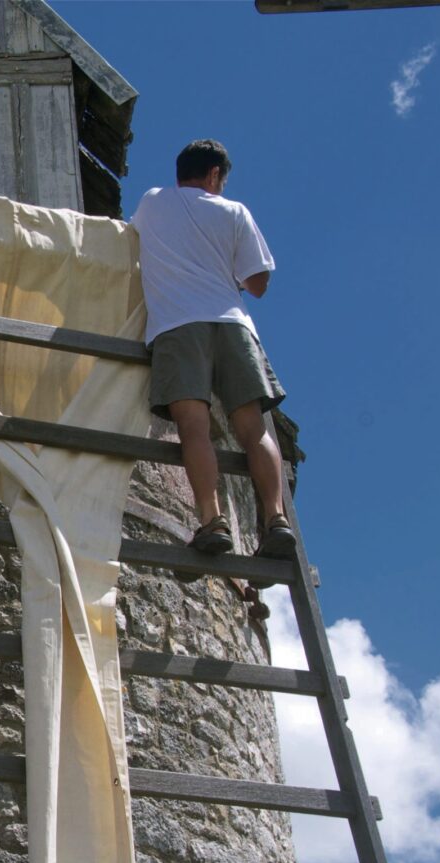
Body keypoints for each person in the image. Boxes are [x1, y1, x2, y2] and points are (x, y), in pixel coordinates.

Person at [132, 139, 297, 560]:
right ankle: (276, 518)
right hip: (232, 325)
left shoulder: (151, 202)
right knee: (253, 428)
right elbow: (258, 284)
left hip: (177, 326)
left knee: (193, 427)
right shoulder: (235, 211)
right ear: (214, 176)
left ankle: (212, 519)